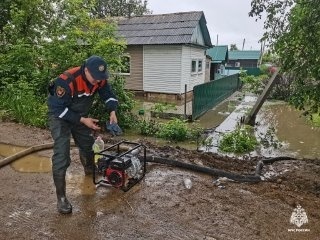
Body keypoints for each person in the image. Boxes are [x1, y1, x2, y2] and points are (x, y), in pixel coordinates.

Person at [47, 55, 119, 214]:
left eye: (100, 78)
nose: (97, 81)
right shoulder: (67, 81)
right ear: (86, 70)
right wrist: (83, 120)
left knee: (87, 146)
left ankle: (89, 171)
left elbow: (108, 95)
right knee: (62, 155)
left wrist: (112, 111)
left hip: (80, 117)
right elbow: (57, 109)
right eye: (95, 78)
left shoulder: (98, 78)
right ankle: (61, 199)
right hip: (60, 117)